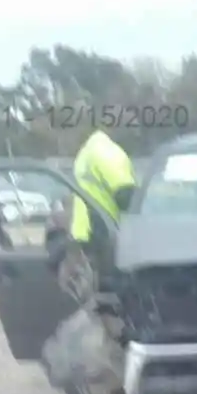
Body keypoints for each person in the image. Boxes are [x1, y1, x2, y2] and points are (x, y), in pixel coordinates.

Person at [48, 128, 136, 298]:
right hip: (107, 232)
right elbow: (125, 195)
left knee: (101, 297)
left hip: (88, 232)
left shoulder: (85, 155)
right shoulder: (106, 151)